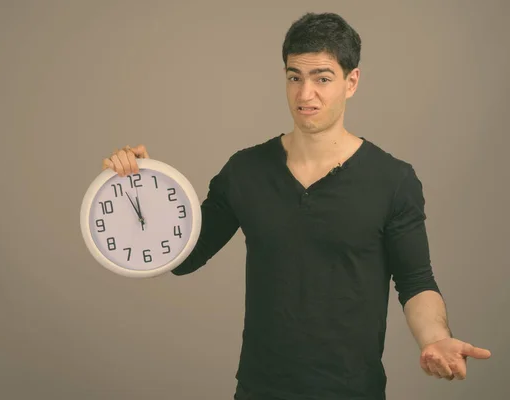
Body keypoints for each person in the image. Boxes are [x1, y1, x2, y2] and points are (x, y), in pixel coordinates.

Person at [102, 12, 491, 400]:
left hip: (353, 391)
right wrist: (142, 186)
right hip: (259, 390)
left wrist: (437, 338)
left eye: (322, 78)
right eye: (295, 77)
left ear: (351, 81)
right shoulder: (245, 171)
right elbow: (184, 256)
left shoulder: (393, 180)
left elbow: (416, 281)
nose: (306, 95)